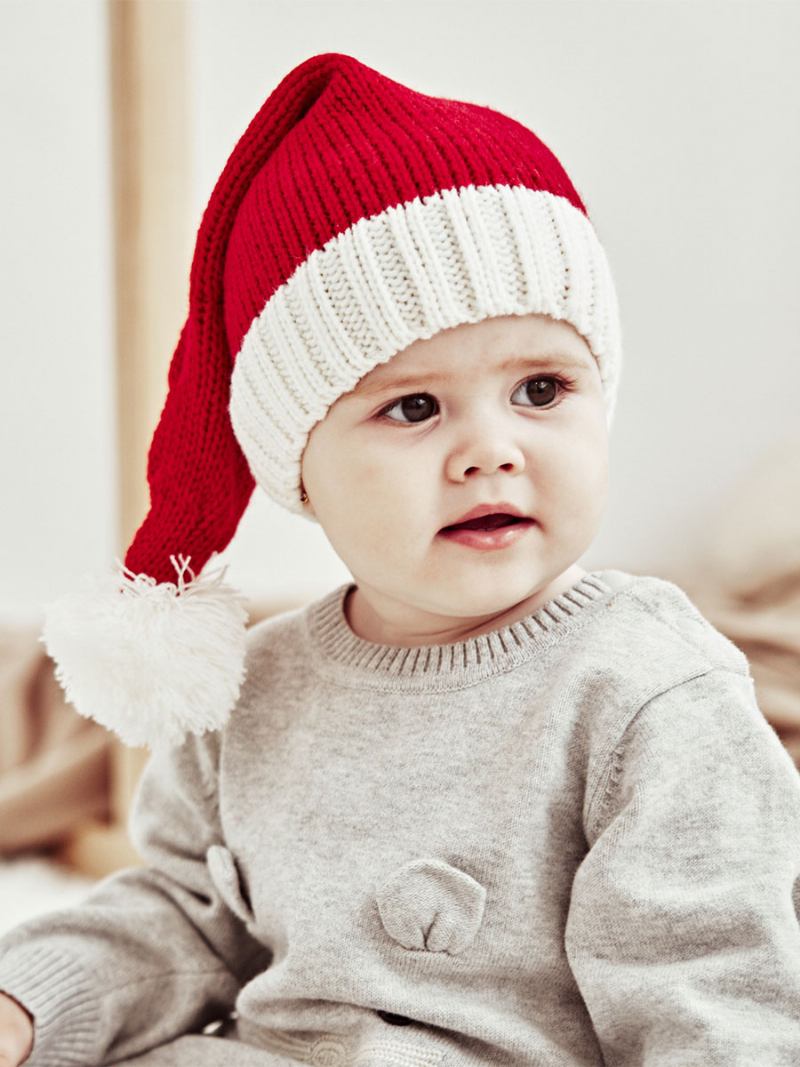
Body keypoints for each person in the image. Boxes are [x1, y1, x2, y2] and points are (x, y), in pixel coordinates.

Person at [0, 51, 798, 1067]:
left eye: (541, 389)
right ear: (299, 463)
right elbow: (182, 919)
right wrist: (27, 999)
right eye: (413, 407)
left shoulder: (647, 687)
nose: (490, 447)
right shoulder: (253, 691)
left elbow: (711, 997)